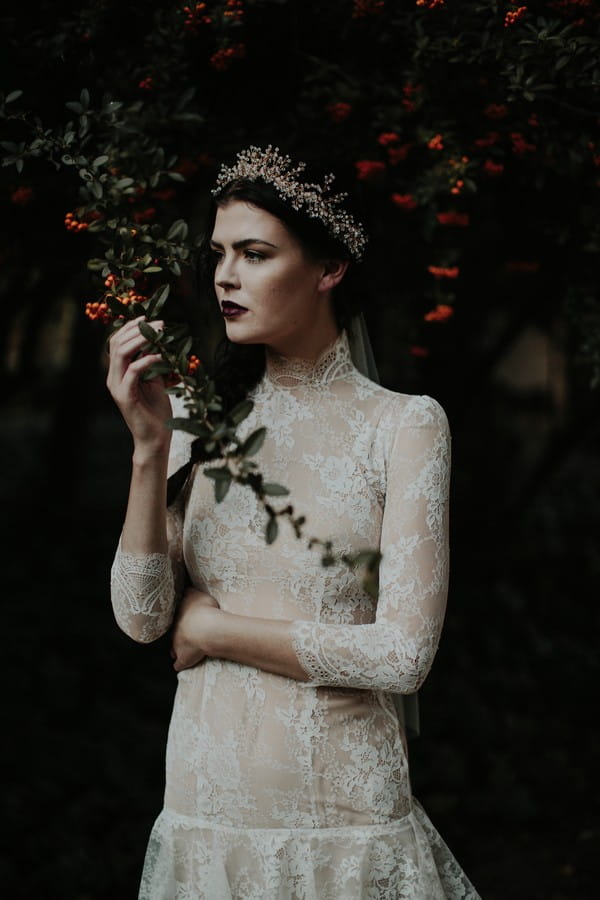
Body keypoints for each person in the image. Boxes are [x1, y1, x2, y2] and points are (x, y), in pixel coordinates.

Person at [108, 145, 480, 898]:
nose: (225, 276)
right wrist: (149, 452)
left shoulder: (403, 427)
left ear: (329, 267)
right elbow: (141, 617)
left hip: (343, 833)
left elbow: (403, 655)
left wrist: (215, 632)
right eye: (219, 254)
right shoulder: (198, 419)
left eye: (255, 253)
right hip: (206, 826)